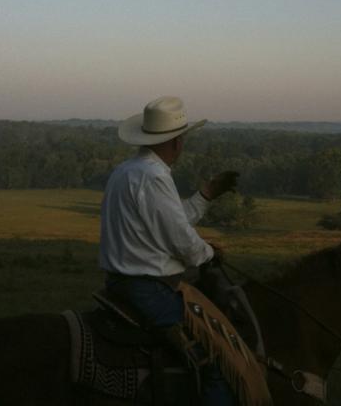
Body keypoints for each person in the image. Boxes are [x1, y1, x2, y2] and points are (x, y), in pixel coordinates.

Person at [99, 95, 238, 406]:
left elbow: (168, 222)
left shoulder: (126, 171)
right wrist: (209, 254)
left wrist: (205, 196)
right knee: (217, 357)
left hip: (118, 283)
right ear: (176, 141)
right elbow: (181, 241)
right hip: (148, 291)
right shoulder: (154, 176)